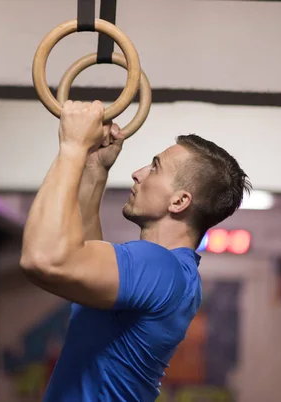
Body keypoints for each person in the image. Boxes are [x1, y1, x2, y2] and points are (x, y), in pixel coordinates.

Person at [19, 100, 251, 402]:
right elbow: (85, 260)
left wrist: (73, 146)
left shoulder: (159, 267)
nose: (138, 173)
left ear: (179, 201)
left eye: (155, 168)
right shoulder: (174, 274)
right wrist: (94, 168)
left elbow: (42, 259)